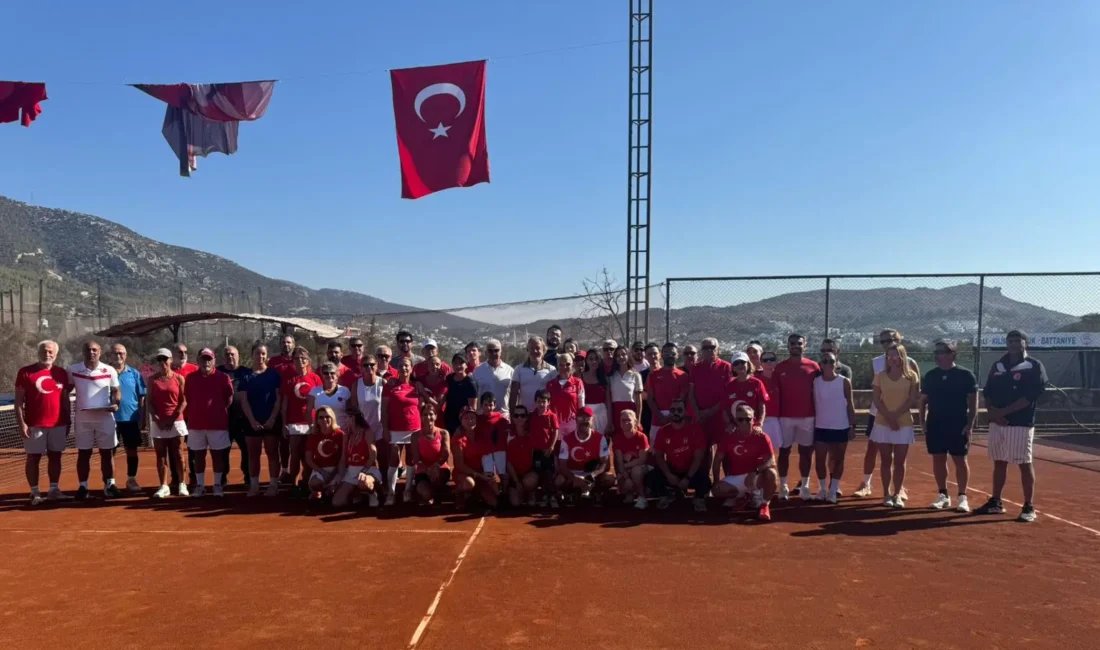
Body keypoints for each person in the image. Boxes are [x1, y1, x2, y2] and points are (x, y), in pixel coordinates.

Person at [975, 330, 1047, 522]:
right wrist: (993, 413)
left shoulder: (1034, 366)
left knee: (1024, 463)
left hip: (1021, 423)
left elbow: (1031, 397)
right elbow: (988, 392)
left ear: (1025, 343)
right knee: (999, 461)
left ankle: (1028, 506)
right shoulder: (998, 365)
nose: (1014, 344)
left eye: (1018, 340)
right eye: (1010, 340)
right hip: (998, 423)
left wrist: (1002, 413)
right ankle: (996, 502)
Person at [854, 329, 920, 498]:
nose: (887, 343)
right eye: (883, 341)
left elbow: (914, 392)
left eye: (891, 339)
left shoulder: (911, 362)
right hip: (879, 414)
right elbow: (878, 390)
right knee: (872, 449)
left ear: (900, 340)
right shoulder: (876, 362)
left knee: (899, 454)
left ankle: (900, 488)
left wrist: (898, 414)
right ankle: (866, 484)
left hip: (901, 416)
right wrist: (886, 414)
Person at [919, 340, 978, 513]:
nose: (937, 356)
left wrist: (969, 425)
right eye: (936, 352)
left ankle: (962, 497)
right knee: (938, 459)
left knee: (960, 460)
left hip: (958, 424)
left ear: (952, 354)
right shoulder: (930, 376)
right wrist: (922, 422)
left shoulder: (966, 375)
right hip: (935, 424)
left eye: (941, 352)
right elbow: (923, 401)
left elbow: (973, 404)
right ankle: (943, 495)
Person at [15, 340, 71, 504]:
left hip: (58, 424)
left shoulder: (61, 373)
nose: (47, 354)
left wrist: (67, 420)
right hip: (34, 424)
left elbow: (65, 399)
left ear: (56, 354)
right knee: (33, 458)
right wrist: (22, 423)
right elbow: (18, 402)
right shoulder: (25, 372)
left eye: (50, 351)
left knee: (56, 457)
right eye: (44, 351)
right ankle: (35, 492)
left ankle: (54, 489)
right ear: (38, 352)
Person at [68, 340, 121, 500]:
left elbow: (116, 391)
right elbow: (65, 390)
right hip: (83, 420)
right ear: (83, 351)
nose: (91, 352)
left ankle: (110, 484)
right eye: (88, 350)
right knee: (84, 453)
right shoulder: (73, 369)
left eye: (94, 350)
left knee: (107, 453)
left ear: (100, 352)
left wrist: (116, 403)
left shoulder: (110, 370)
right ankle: (83, 486)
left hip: (105, 419)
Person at [870, 343, 921, 508]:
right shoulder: (880, 376)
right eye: (889, 356)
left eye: (895, 355)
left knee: (900, 461)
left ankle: (897, 494)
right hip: (882, 423)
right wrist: (889, 416)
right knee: (886, 460)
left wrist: (896, 416)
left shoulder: (912, 376)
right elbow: (877, 400)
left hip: (903, 423)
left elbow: (912, 399)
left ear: (902, 357)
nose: (892, 359)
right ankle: (886, 494)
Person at [711, 404, 778, 521]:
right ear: (735, 421)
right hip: (736, 477)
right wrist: (716, 480)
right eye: (740, 419)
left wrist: (755, 472)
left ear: (754, 420)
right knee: (716, 491)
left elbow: (771, 461)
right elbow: (717, 460)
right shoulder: (729, 437)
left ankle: (764, 505)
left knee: (772, 473)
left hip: (756, 477)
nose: (744, 422)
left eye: (748, 419)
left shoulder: (762, 437)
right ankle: (743, 496)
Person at [774, 333, 821, 500]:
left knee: (805, 453)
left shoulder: (814, 367)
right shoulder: (779, 368)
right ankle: (783, 486)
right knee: (784, 452)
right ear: (787, 346)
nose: (796, 346)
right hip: (785, 417)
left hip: (808, 417)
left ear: (804, 345)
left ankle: (805, 487)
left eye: (799, 343)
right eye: (792, 343)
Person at [183, 348, 234, 497]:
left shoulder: (223, 378)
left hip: (217, 424)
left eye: (209, 359)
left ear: (214, 361)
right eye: (203, 359)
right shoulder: (191, 378)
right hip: (196, 424)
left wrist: (217, 411)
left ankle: (217, 485)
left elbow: (229, 399)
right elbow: (188, 398)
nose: (206, 362)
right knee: (198, 456)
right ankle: (200, 485)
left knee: (217, 456)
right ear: (198, 361)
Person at [647, 398, 710, 512]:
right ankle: (666, 494)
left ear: (685, 412)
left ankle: (698, 498)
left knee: (705, 480)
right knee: (651, 477)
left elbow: (698, 457)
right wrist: (668, 474)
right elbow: (659, 456)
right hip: (673, 471)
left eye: (679, 410)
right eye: (672, 410)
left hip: (690, 472)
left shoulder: (695, 430)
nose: (676, 413)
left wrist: (687, 478)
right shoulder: (663, 431)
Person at [812, 350, 856, 503]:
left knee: (838, 460)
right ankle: (822, 489)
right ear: (820, 365)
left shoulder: (844, 381)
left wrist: (852, 425)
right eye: (825, 361)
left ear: (836, 363)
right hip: (821, 427)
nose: (828, 364)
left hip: (840, 427)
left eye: (831, 361)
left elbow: (850, 404)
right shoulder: (815, 382)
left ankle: (833, 490)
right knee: (819, 460)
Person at [239, 343, 283, 497]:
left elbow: (278, 399)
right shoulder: (245, 376)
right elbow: (243, 400)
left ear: (267, 356)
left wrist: (272, 419)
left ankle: (273, 485)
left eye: (263, 353)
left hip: (270, 421)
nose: (260, 356)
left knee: (272, 453)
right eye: (257, 353)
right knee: (253, 454)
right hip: (252, 422)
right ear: (252, 355)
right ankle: (254, 485)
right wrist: (252, 421)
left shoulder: (273, 375)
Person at [147, 348, 188, 498]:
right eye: (159, 360)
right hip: (158, 423)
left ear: (171, 360)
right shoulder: (152, 380)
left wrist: (173, 418)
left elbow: (183, 401)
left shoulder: (179, 378)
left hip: (176, 421)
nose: (162, 362)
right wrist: (157, 419)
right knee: (161, 455)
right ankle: (164, 486)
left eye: (165, 359)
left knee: (178, 453)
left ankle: (182, 484)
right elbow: (149, 402)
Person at [282, 348, 323, 495]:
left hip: (311, 423)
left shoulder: (315, 378)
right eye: (297, 358)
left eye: (303, 358)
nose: (300, 361)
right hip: (294, 423)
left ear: (308, 360)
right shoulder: (288, 378)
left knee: (309, 456)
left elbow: (319, 401)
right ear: (293, 361)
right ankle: (293, 484)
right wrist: (283, 424)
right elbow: (285, 403)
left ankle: (306, 484)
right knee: (295, 455)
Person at [381, 356, 421, 505]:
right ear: (397, 369)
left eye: (407, 366)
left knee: (411, 461)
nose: (404, 368)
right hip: (395, 429)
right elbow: (384, 409)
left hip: (414, 429)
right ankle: (391, 493)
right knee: (393, 461)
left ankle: (408, 491)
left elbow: (422, 407)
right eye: (401, 366)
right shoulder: (390, 386)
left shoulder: (417, 386)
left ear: (411, 368)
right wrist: (385, 428)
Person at [555, 407, 614, 505]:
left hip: (591, 474)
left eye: (587, 418)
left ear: (592, 419)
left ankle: (594, 491)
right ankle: (575, 492)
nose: (584, 421)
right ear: (576, 419)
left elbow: (605, 464)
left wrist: (592, 475)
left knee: (610, 479)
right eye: (581, 418)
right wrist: (575, 478)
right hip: (573, 473)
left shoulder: (600, 438)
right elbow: (562, 465)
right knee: (559, 481)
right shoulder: (567, 439)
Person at [108, 344, 146, 494]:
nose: (118, 356)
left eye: (121, 353)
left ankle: (131, 479)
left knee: (132, 450)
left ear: (126, 355)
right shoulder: (105, 372)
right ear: (110, 355)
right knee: (110, 452)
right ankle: (110, 483)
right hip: (110, 420)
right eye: (115, 353)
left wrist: (142, 418)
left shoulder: (134, 373)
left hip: (131, 419)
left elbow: (141, 397)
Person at [687, 337, 732, 451]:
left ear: (718, 350)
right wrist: (697, 413)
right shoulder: (695, 368)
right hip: (700, 416)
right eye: (706, 348)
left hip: (720, 416)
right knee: (704, 449)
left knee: (724, 449)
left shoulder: (726, 367)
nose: (709, 350)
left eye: (712, 347)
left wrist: (711, 411)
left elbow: (728, 394)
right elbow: (691, 393)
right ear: (701, 350)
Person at [347, 353, 385, 484]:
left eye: (372, 365)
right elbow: (354, 408)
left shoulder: (383, 383)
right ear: (361, 368)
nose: (369, 367)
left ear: (376, 367)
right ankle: (367, 488)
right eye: (366, 365)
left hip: (380, 429)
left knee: (382, 459)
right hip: (363, 430)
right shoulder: (356, 384)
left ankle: (383, 487)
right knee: (367, 459)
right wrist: (358, 429)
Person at [217, 346, 252, 486]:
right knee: (223, 450)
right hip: (224, 420)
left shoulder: (246, 372)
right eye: (227, 354)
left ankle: (249, 476)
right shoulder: (218, 372)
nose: (230, 356)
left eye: (233, 354)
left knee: (247, 449)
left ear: (238, 356)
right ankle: (222, 477)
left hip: (243, 419)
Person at [452, 407, 498, 509]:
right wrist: (480, 475)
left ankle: (475, 494)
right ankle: (460, 494)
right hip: (464, 474)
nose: (470, 421)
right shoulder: (458, 439)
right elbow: (460, 465)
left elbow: (489, 456)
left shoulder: (481, 435)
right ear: (461, 420)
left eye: (472, 417)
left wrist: (490, 473)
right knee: (469, 483)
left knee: (494, 502)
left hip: (481, 473)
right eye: (466, 418)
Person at [332, 415, 382, 508]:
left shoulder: (367, 432)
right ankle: (357, 493)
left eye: (348, 417)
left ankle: (372, 493)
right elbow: (343, 458)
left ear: (355, 419)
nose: (346, 420)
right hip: (351, 472)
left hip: (368, 469)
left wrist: (364, 471)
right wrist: (340, 476)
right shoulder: (346, 435)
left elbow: (373, 455)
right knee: (337, 502)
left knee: (363, 482)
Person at [645, 342, 690, 443]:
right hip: (657, 419)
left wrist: (671, 416)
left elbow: (682, 399)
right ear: (661, 355)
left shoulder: (683, 376)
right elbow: (650, 398)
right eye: (666, 352)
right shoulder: (653, 375)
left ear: (677, 355)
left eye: (672, 353)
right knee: (655, 450)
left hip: (676, 418)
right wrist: (660, 416)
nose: (669, 355)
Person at [409, 402, 452, 504]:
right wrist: (427, 470)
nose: (428, 417)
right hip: (423, 471)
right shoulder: (415, 436)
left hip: (440, 470)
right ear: (421, 416)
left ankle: (439, 490)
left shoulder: (443, 433)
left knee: (437, 477)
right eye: (425, 414)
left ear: (436, 416)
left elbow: (445, 454)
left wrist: (436, 466)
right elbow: (416, 458)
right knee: (426, 494)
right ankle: (435, 492)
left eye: (431, 414)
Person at [267, 334, 296, 482]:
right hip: (277, 406)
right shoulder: (273, 362)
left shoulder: (299, 361)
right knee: (281, 441)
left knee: (297, 443)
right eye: (284, 342)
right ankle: (284, 470)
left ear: (293, 344)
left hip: (295, 407)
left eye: (289, 342)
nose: (286, 345)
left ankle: (299, 474)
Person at [528, 386, 561, 507]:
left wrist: (551, 447)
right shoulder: (531, 416)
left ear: (548, 402)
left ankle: (551, 496)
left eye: (544, 401)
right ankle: (541, 496)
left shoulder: (552, 415)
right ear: (535, 402)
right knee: (538, 473)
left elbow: (556, 431)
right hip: (536, 451)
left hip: (548, 451)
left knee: (549, 473)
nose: (541, 404)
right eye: (539, 401)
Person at [303, 406, 345, 501]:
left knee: (332, 493)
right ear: (317, 420)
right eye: (321, 417)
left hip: (337, 469)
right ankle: (318, 490)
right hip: (320, 470)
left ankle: (328, 490)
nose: (324, 419)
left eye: (327, 417)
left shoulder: (340, 434)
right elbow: (308, 459)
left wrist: (335, 473)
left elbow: (344, 457)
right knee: (315, 484)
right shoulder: (313, 436)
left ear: (332, 418)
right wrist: (321, 471)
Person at [613, 410, 650, 510]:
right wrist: (626, 477)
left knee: (636, 471)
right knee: (623, 486)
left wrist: (625, 468)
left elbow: (642, 460)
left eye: (628, 420)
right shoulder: (617, 438)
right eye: (623, 420)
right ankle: (630, 493)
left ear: (635, 421)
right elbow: (619, 461)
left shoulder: (642, 437)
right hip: (628, 469)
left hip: (644, 469)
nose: (625, 423)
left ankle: (642, 497)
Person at [722, 352, 768, 429]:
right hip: (735, 428)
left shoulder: (757, 383)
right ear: (733, 368)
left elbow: (762, 406)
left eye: (743, 362)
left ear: (748, 364)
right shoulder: (728, 386)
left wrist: (759, 424)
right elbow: (724, 409)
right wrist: (729, 424)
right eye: (736, 363)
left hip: (753, 427)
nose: (740, 365)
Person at [510, 336, 556, 413]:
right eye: (532, 348)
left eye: (538, 348)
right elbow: (513, 394)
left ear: (543, 350)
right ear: (527, 350)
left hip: (543, 416)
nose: (535, 351)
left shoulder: (552, 370)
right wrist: (512, 414)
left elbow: (555, 394)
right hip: (524, 416)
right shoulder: (519, 369)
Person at [505, 403, 539, 507]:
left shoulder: (532, 435)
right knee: (515, 504)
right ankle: (519, 491)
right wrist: (516, 481)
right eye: (516, 415)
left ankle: (531, 492)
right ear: (513, 418)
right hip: (514, 474)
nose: (519, 418)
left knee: (529, 482)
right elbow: (508, 462)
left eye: (523, 415)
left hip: (528, 473)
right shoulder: (508, 436)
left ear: (527, 418)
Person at [608, 346, 644, 436]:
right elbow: (608, 400)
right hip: (615, 412)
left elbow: (639, 401)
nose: (621, 357)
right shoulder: (610, 376)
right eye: (618, 355)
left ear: (628, 355)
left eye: (623, 354)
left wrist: (638, 420)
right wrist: (609, 420)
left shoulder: (636, 375)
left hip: (630, 412)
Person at [546, 353, 584, 438]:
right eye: (561, 364)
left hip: (573, 427)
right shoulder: (550, 384)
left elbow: (581, 406)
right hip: (555, 427)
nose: (564, 367)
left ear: (573, 365)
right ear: (557, 365)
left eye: (567, 364)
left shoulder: (578, 382)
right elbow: (547, 407)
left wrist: (581, 425)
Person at [475, 392, 510, 484]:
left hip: (499, 449)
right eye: (485, 405)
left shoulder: (501, 419)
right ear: (481, 405)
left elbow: (510, 430)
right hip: (485, 451)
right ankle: (494, 493)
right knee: (489, 474)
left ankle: (505, 492)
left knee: (503, 473)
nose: (488, 408)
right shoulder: (478, 419)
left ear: (495, 405)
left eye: (491, 405)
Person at [471, 339, 513, 416]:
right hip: (483, 418)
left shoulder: (510, 371)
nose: (493, 353)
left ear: (501, 352)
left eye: (496, 350)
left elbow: (515, 396)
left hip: (503, 417)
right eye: (490, 351)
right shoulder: (477, 371)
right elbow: (473, 396)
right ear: (486, 353)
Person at [309, 362, 352, 431]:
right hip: (321, 432)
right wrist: (312, 426)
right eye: (326, 373)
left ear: (337, 375)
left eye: (332, 373)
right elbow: (308, 411)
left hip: (341, 431)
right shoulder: (314, 392)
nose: (329, 375)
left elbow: (350, 413)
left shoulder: (345, 391)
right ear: (322, 375)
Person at [755, 351, 783, 452]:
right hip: (759, 420)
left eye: (771, 359)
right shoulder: (756, 378)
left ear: (776, 362)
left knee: (773, 451)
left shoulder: (779, 377)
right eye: (765, 360)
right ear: (761, 362)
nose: (768, 362)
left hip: (775, 420)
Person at [444, 354, 478, 434]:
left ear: (466, 365)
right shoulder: (449, 379)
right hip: (449, 420)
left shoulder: (470, 383)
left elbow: (472, 408)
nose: (458, 366)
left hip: (463, 424)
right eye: (455, 363)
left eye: (461, 363)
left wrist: (465, 426)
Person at [580, 349, 610, 435]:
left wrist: (610, 421)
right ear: (586, 361)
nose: (594, 361)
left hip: (602, 414)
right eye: (591, 359)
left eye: (596, 359)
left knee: (601, 441)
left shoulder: (605, 377)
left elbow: (608, 401)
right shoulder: (581, 376)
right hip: (586, 414)